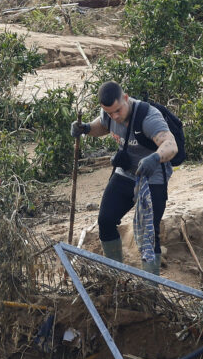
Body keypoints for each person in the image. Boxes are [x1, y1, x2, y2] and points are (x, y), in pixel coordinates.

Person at [70, 82, 178, 275]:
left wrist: (154, 158)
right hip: (125, 174)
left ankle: (150, 286)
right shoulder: (109, 114)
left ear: (126, 98)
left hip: (152, 178)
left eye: (118, 110)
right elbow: (102, 126)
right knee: (105, 220)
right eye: (110, 113)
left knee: (149, 233)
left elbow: (171, 145)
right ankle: (116, 275)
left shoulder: (148, 117)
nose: (115, 116)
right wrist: (85, 128)